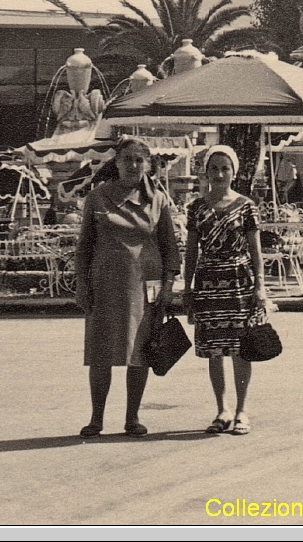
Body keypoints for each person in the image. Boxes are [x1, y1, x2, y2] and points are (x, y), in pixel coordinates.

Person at [75, 136, 179, 437]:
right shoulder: (97, 197)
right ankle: (96, 419)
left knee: (140, 353)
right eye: (127, 159)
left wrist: (169, 285)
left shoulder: (158, 200)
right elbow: (84, 247)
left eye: (139, 160)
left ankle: (132, 418)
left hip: (146, 287)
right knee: (100, 353)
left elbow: (170, 247)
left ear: (148, 164)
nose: (133, 165)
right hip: (104, 284)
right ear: (116, 163)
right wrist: (82, 285)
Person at [184, 145, 268, 436]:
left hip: (239, 282)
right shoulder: (196, 207)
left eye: (225, 168)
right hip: (207, 282)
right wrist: (187, 289)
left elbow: (256, 251)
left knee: (240, 349)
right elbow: (191, 253)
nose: (219, 174)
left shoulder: (246, 206)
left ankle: (242, 409)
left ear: (234, 172)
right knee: (214, 350)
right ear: (206, 172)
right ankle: (222, 409)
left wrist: (260, 287)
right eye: (214, 168)